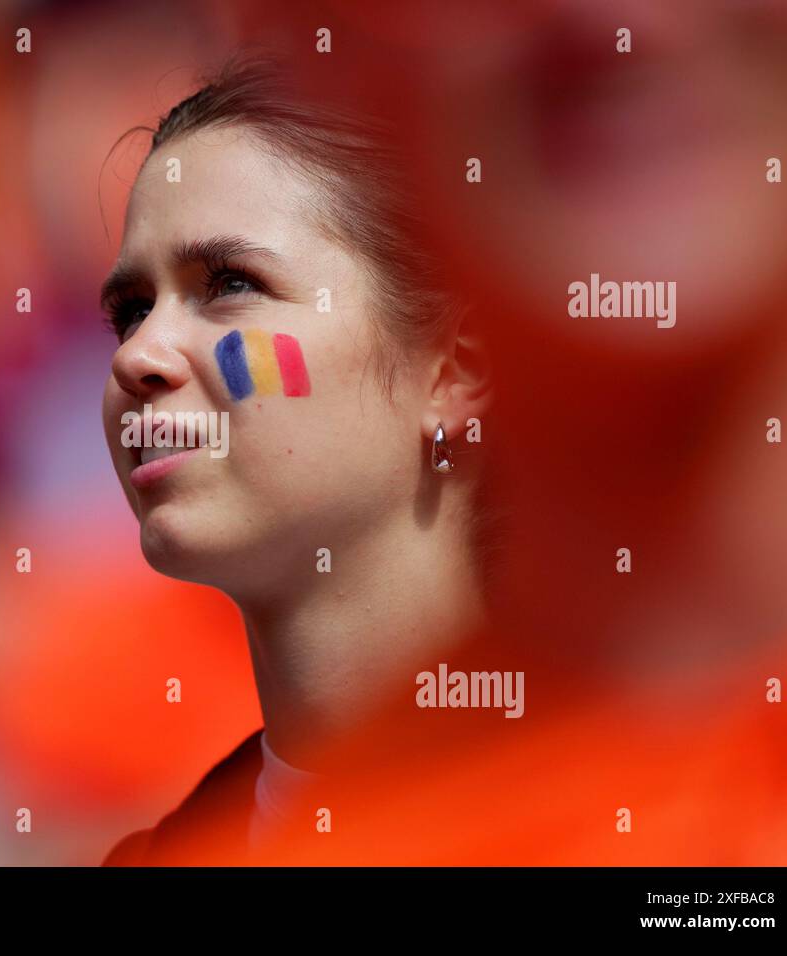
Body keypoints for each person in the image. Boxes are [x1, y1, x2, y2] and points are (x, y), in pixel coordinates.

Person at [96, 57, 496, 865]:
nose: (139, 354)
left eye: (229, 283)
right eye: (132, 309)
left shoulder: (706, 831)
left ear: (453, 372)